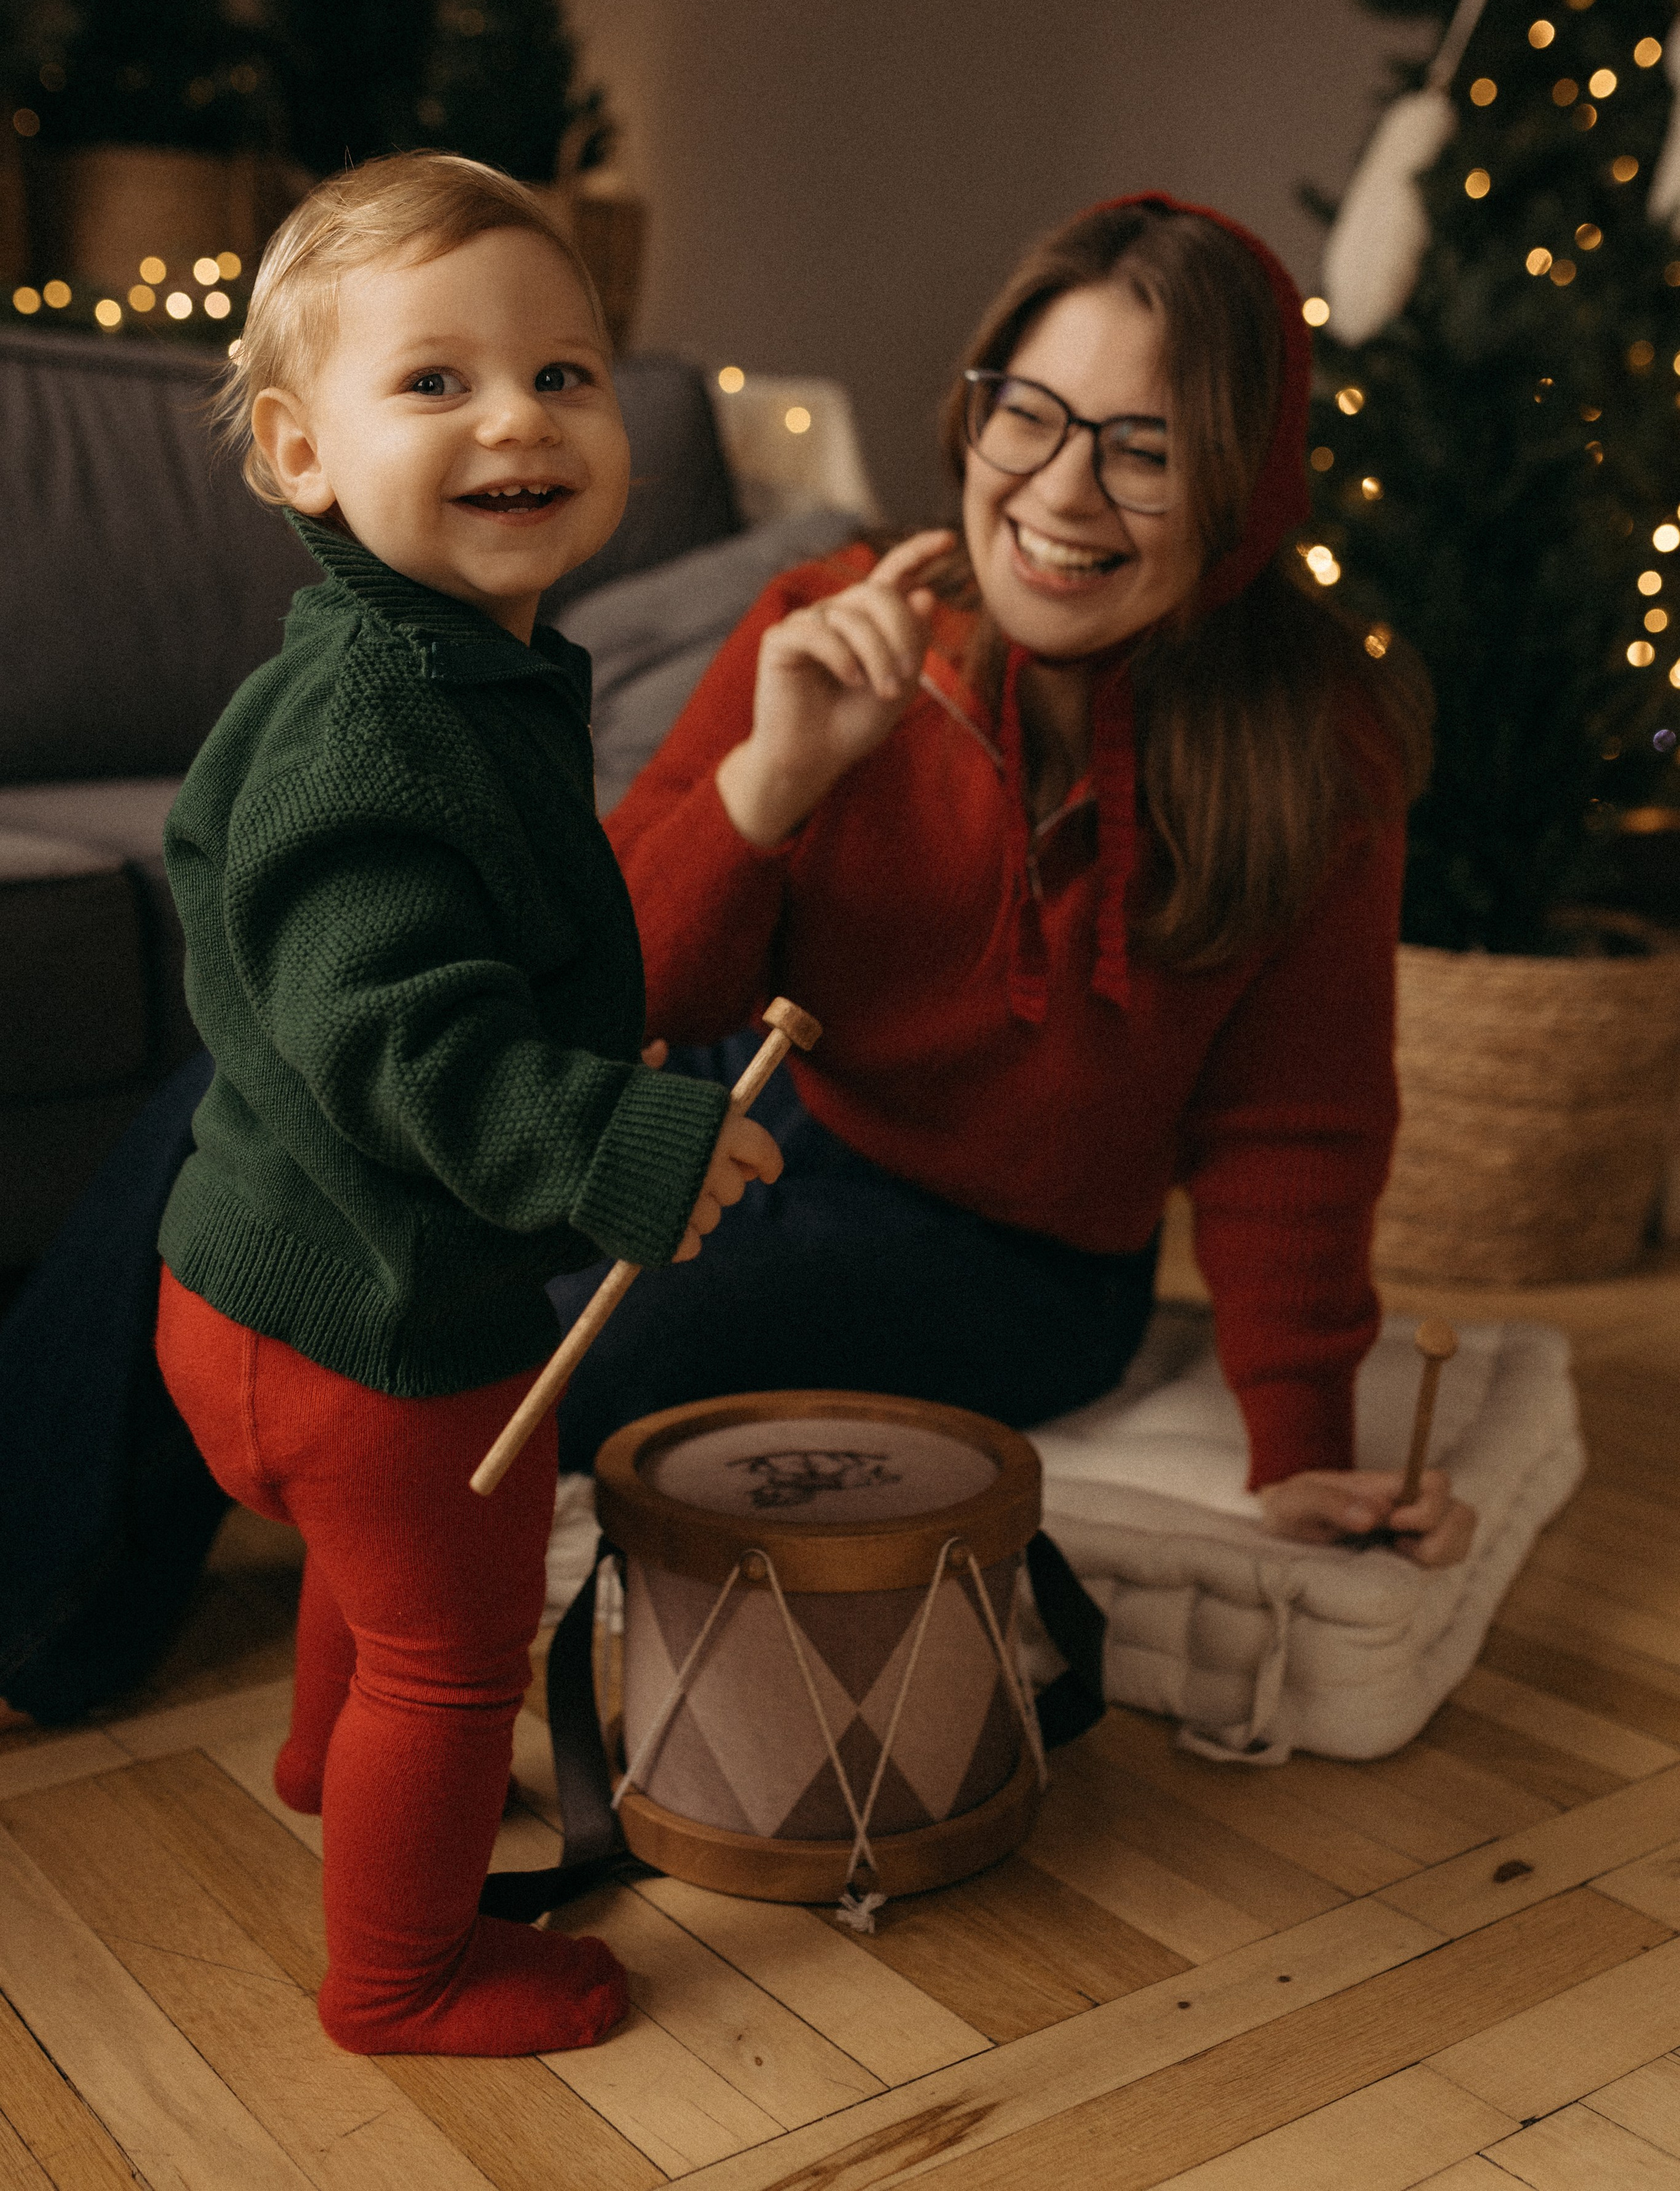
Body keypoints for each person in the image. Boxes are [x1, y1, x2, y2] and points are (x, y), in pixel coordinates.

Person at [553, 194, 1476, 1570]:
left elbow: (1298, 1118)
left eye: (1143, 452)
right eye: (1025, 413)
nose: (1057, 491)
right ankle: (100, 1614)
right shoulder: (830, 619)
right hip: (755, 1112)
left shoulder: (1314, 746)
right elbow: (607, 994)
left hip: (1009, 1262)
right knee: (266, 1105)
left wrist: (1300, 1443)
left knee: (584, 1340)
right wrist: (774, 777)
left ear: (1239, 493)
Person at [146, 152, 782, 2057]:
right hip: (379, 1340)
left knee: (371, 1595)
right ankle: (400, 1971)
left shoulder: (433, 667)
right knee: (453, 1643)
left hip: (257, 1293)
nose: (516, 416)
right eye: (435, 382)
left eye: (564, 374)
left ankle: (329, 1776)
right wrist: (617, 1145)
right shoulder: (378, 726)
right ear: (295, 452)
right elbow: (403, 1044)